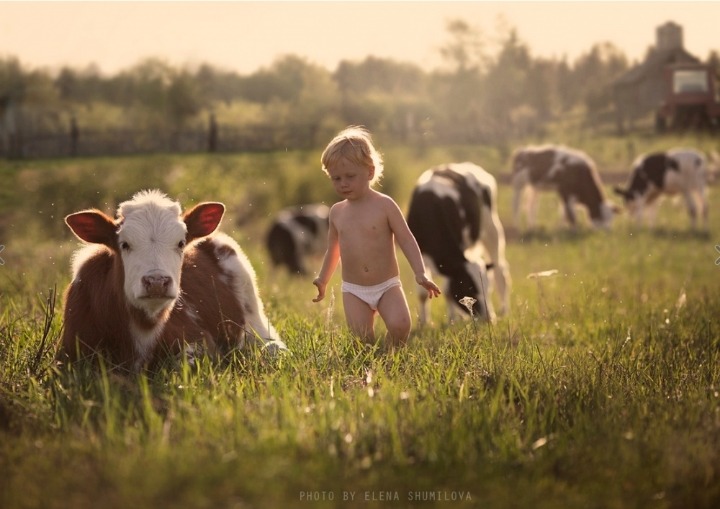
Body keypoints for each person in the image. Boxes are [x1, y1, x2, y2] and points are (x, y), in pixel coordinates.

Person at [312, 126, 441, 348]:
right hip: (354, 289)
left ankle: (392, 355)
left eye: (350, 176)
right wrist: (323, 280)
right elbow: (333, 249)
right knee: (362, 340)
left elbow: (407, 239)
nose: (343, 183)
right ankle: (370, 368)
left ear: (370, 172)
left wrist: (420, 273)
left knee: (401, 325)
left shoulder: (385, 205)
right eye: (336, 178)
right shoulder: (337, 212)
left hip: (386, 286)